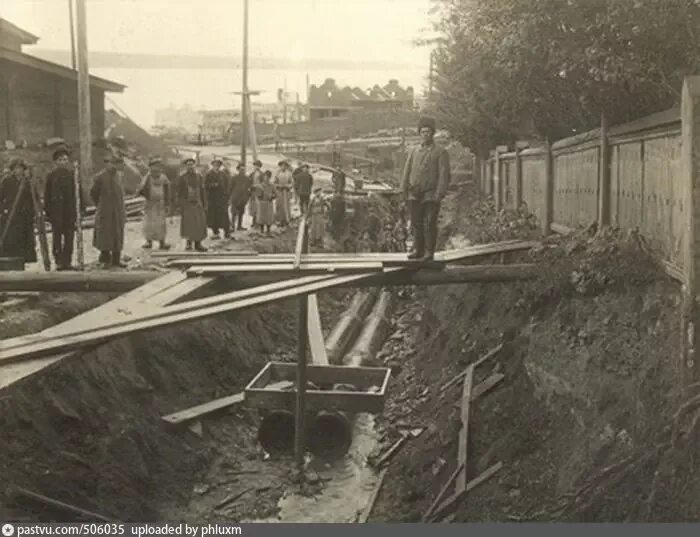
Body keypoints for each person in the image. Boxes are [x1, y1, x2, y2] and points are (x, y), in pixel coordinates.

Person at [400, 116, 451, 261]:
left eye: (428, 132)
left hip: (431, 194)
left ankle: (429, 252)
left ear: (433, 133)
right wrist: (403, 190)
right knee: (416, 222)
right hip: (414, 193)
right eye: (423, 132)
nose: (425, 134)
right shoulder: (413, 151)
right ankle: (418, 249)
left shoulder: (440, 152)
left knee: (429, 223)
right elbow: (407, 171)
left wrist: (439, 194)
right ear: (419, 133)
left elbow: (444, 174)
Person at [44, 148, 84, 270]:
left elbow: (79, 193)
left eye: (65, 159)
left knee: (69, 237)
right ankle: (58, 261)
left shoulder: (72, 175)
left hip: (69, 212)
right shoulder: (51, 176)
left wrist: (81, 209)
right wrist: (48, 212)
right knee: (57, 237)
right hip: (56, 213)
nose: (63, 162)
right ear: (56, 162)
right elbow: (47, 195)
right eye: (60, 160)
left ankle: (67, 261)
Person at [90, 154, 127, 267]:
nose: (113, 166)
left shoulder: (119, 176)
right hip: (105, 210)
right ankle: (105, 258)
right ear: (106, 164)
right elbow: (93, 193)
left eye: (115, 163)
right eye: (111, 163)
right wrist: (101, 205)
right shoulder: (100, 177)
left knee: (117, 233)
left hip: (118, 210)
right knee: (105, 234)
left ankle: (116, 259)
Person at [0, 158, 36, 264]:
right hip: (11, 215)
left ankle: (24, 259)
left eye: (20, 168)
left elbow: (34, 197)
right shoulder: (7, 181)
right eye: (16, 168)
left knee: (24, 237)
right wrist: (3, 210)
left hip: (24, 215)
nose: (18, 171)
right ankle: (12, 260)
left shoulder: (27, 181)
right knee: (11, 238)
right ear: (12, 169)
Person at [138, 156, 171, 250]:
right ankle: (149, 241)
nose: (157, 168)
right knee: (149, 223)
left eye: (158, 166)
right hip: (150, 204)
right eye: (155, 166)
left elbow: (168, 190)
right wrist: (146, 195)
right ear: (151, 167)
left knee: (161, 223)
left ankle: (162, 242)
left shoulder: (164, 177)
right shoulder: (147, 177)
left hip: (161, 203)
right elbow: (141, 189)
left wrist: (168, 203)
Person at [176, 157, 207, 251]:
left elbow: (202, 190)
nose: (190, 166)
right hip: (187, 204)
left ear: (194, 165)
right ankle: (188, 244)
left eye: (192, 164)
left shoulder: (199, 176)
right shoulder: (182, 177)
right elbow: (179, 192)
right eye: (188, 165)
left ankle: (198, 244)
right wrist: (180, 204)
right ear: (186, 166)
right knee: (188, 224)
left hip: (198, 203)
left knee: (199, 224)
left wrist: (204, 203)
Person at [204, 158, 231, 239]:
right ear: (212, 166)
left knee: (224, 215)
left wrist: (226, 195)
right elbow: (205, 185)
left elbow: (227, 185)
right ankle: (215, 232)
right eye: (215, 165)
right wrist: (213, 185)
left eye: (218, 165)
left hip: (222, 199)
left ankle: (227, 232)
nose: (216, 167)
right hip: (212, 199)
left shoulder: (223, 174)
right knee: (213, 216)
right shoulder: (208, 174)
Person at [229, 162, 252, 232]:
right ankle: (232, 226)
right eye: (241, 169)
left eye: (244, 170)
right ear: (238, 170)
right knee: (234, 212)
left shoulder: (247, 179)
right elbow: (230, 188)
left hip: (243, 198)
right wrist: (230, 197)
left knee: (241, 212)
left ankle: (239, 226)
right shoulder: (234, 178)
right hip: (235, 197)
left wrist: (247, 197)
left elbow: (250, 188)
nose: (242, 171)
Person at [256, 170, 276, 235]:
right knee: (261, 217)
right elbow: (258, 195)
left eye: (268, 177)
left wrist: (272, 196)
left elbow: (275, 194)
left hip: (269, 203)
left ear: (269, 178)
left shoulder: (272, 185)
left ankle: (268, 230)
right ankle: (261, 230)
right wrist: (261, 195)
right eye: (265, 177)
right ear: (263, 177)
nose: (266, 178)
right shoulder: (260, 185)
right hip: (262, 203)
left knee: (269, 217)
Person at [274, 160, 293, 227]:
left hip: (286, 191)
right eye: (282, 166)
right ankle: (279, 220)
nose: (283, 167)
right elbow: (274, 183)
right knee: (279, 206)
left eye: (284, 166)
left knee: (286, 206)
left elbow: (292, 183)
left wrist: (288, 186)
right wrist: (278, 186)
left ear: (286, 166)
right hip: (279, 191)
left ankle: (286, 220)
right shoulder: (277, 173)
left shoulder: (289, 173)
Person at [248, 159, 264, 227]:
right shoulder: (252, 174)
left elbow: (263, 184)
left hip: (259, 191)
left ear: (260, 167)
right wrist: (250, 187)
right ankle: (254, 221)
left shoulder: (262, 174)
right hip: (253, 192)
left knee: (258, 207)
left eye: (258, 166)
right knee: (253, 207)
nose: (256, 167)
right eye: (255, 166)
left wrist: (258, 186)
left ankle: (258, 221)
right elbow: (249, 182)